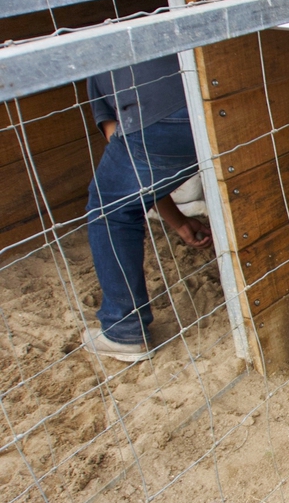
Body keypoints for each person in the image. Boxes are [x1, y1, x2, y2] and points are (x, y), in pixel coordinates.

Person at [81, 56, 212, 363]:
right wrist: (178, 221)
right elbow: (141, 177)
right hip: (215, 93)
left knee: (106, 206)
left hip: (164, 117)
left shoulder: (94, 63)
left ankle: (123, 329)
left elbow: (130, 162)